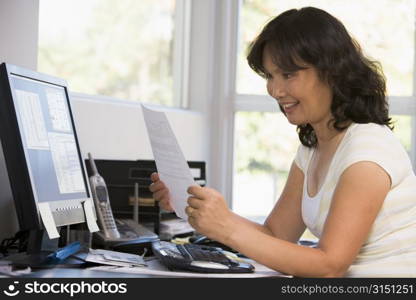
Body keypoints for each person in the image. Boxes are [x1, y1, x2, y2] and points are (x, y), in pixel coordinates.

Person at [149, 7, 416, 277]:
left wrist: (227, 225)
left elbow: (330, 266)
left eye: (288, 75)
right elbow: (277, 235)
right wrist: (201, 212)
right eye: (269, 76)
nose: (275, 91)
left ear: (332, 72)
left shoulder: (368, 149)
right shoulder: (312, 150)